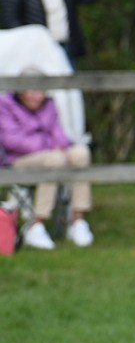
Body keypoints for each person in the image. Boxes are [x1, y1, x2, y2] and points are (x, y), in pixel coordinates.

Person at [0, 87, 93, 249]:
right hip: (18, 160)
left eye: (42, 92)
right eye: (34, 92)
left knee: (80, 153)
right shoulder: (5, 105)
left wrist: (63, 147)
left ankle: (78, 220)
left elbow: (58, 132)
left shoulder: (48, 105)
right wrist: (51, 147)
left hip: (50, 154)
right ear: (21, 92)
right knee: (54, 159)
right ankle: (36, 224)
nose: (39, 96)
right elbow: (11, 140)